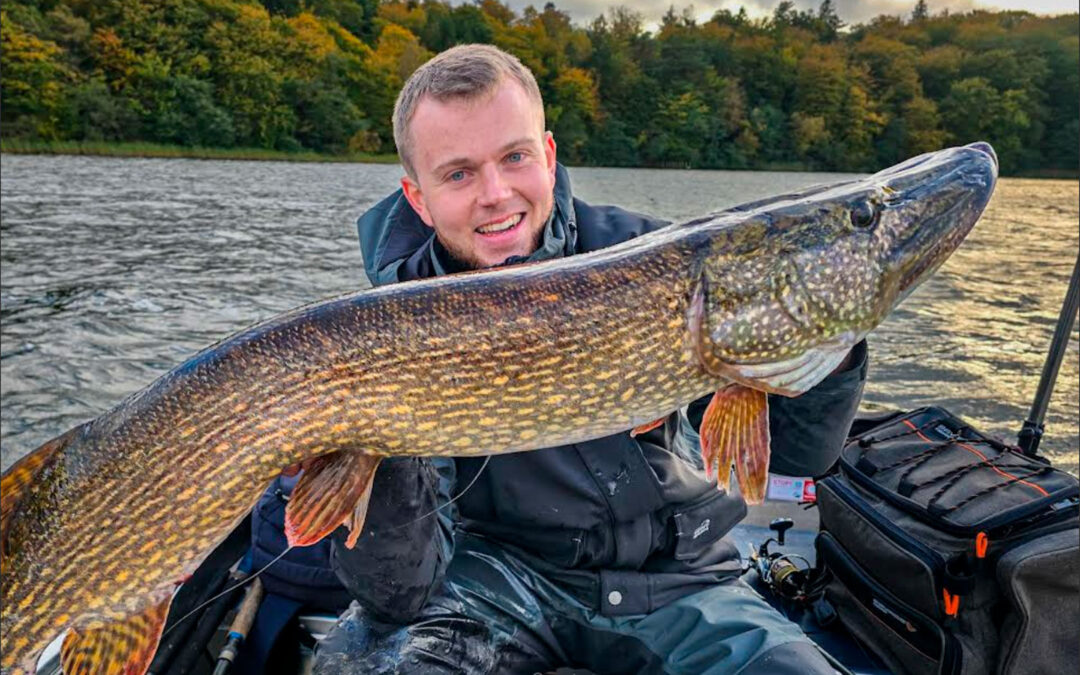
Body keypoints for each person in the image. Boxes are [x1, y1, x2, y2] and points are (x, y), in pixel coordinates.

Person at [313, 44, 867, 674]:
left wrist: (831, 338)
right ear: (418, 197)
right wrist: (367, 452)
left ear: (548, 157)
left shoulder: (653, 257)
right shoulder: (390, 326)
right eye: (459, 174)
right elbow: (400, 590)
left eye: (514, 157)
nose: (496, 194)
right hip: (492, 584)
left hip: (681, 580)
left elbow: (798, 460)